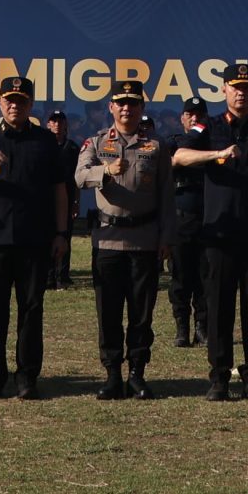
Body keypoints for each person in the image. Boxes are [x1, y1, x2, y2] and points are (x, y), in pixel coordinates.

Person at [172, 60, 248, 401]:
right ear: (224, 90)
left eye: (247, 88)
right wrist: (215, 154)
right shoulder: (207, 128)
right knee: (219, 307)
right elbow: (178, 156)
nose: (241, 93)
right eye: (235, 88)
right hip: (217, 236)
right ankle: (219, 377)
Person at [0, 75, 68, 399]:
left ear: (30, 104)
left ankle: (27, 377)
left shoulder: (45, 141)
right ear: (1, 101)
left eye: (20, 100)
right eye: (9, 99)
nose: (14, 105)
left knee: (31, 310)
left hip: (34, 240)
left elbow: (59, 190)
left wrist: (61, 233)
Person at [74, 78, 172, 400]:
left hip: (144, 240)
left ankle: (137, 375)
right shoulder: (96, 142)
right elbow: (79, 177)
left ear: (142, 108)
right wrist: (105, 170)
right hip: (108, 242)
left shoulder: (156, 147)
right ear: (111, 107)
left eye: (134, 103)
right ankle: (113, 374)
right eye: (121, 103)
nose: (127, 108)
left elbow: (166, 197)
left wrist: (166, 238)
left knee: (142, 314)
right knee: (109, 312)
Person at [167, 97, 209, 346]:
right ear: (182, 118)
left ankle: (201, 327)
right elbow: (179, 154)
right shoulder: (174, 141)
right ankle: (181, 326)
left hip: (208, 217)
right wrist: (198, 130)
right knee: (180, 277)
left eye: (199, 115)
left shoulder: (215, 140)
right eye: (189, 114)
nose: (194, 118)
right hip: (181, 217)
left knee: (205, 276)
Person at [42, 107, 81, 290]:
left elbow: (77, 178)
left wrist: (76, 202)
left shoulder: (73, 148)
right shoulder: (42, 146)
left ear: (66, 125)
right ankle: (49, 277)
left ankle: (63, 275)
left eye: (60, 121)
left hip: (67, 199)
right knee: (47, 238)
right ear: (48, 124)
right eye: (53, 121)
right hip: (47, 200)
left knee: (65, 236)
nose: (57, 124)